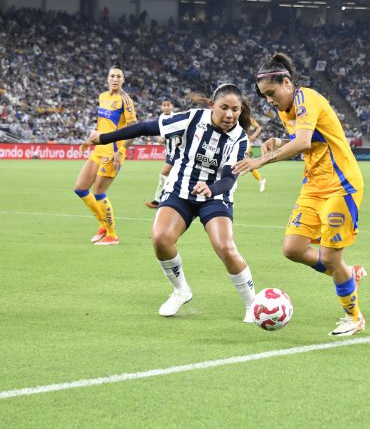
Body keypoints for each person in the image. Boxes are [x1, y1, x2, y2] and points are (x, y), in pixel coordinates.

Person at [85, 84, 257, 322]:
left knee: (225, 247)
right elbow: (145, 127)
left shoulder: (239, 138)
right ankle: (181, 290)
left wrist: (211, 188)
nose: (229, 115)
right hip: (180, 190)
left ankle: (252, 305)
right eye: (224, 108)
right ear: (212, 106)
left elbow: (228, 180)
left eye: (235, 110)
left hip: (215, 196)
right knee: (160, 239)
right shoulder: (193, 118)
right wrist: (102, 138)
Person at [233, 52, 367, 337]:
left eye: (271, 93)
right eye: (264, 96)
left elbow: (304, 140)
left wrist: (260, 160)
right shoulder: (285, 110)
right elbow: (307, 142)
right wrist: (280, 140)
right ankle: (346, 273)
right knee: (292, 248)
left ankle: (353, 316)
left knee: (331, 258)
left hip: (340, 185)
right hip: (313, 186)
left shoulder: (307, 99)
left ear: (287, 82)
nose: (269, 100)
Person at [76, 64, 137, 245]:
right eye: (112, 76)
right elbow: (101, 123)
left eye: (119, 76)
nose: (115, 79)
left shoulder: (125, 100)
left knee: (99, 191)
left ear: (123, 80)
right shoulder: (102, 97)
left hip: (113, 152)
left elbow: (133, 129)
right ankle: (102, 224)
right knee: (80, 188)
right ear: (107, 78)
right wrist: (89, 140)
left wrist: (121, 151)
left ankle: (112, 235)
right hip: (99, 149)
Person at [145, 99, 180, 208]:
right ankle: (164, 198)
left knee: (164, 174)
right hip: (170, 152)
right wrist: (159, 138)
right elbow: (158, 134)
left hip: (177, 152)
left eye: (168, 105)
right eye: (164, 105)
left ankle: (158, 200)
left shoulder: (176, 118)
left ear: (172, 106)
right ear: (161, 107)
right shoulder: (160, 119)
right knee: (169, 176)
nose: (166, 107)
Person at [247, 117, 267, 192]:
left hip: (246, 143)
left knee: (247, 164)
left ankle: (261, 181)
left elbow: (258, 128)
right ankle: (261, 181)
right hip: (237, 143)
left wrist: (253, 136)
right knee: (247, 165)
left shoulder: (248, 118)